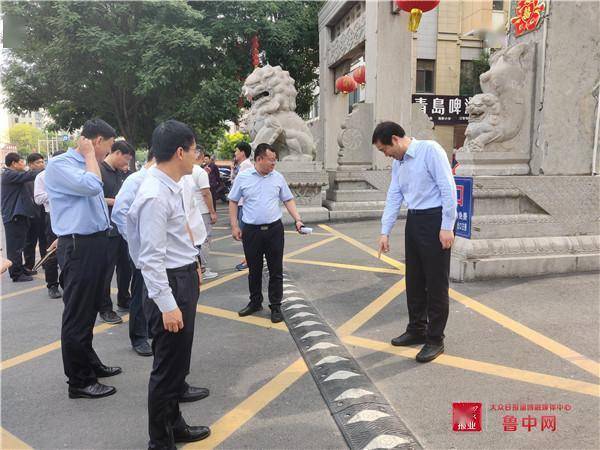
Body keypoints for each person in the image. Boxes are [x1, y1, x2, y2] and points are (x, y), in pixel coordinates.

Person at [127, 120, 210, 448]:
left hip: (181, 276)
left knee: (177, 365)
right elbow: (148, 256)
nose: (196, 157)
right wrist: (166, 303)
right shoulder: (154, 194)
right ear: (180, 151)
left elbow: (175, 238)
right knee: (165, 370)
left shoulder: (171, 184)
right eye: (194, 150)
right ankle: (159, 442)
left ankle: (175, 425)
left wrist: (193, 263)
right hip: (169, 285)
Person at [45, 118, 122, 399]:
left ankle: (89, 364)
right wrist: (90, 155)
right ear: (96, 141)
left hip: (96, 242)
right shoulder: (61, 165)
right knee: (77, 314)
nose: (107, 152)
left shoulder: (88, 166)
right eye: (108, 146)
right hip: (79, 246)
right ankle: (78, 381)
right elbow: (92, 188)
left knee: (90, 309)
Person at [373, 121, 457, 363]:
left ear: (396, 140)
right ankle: (417, 329)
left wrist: (447, 226)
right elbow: (394, 195)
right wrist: (384, 231)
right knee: (415, 280)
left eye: (384, 149)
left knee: (436, 283)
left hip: (435, 220)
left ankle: (435, 339)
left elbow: (447, 187)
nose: (385, 155)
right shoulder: (399, 164)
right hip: (415, 220)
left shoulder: (430, 151)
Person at [228, 143, 304, 323]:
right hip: (251, 231)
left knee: (276, 269)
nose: (273, 164)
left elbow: (288, 199)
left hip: (274, 230)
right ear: (259, 159)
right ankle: (255, 302)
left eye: (275, 161)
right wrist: (234, 226)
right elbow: (233, 201)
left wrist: (298, 219)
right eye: (271, 160)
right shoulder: (244, 177)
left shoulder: (277, 177)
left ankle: (276, 306)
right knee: (254, 270)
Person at [112, 148, 154, 357]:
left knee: (155, 290)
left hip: (157, 247)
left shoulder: (161, 180)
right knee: (141, 292)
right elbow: (119, 212)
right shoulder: (136, 180)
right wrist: (134, 240)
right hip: (141, 248)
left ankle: (151, 329)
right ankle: (138, 337)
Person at [97, 140, 135, 324]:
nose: (126, 164)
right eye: (125, 159)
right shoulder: (99, 170)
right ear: (117, 153)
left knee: (125, 267)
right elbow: (93, 196)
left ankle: (124, 298)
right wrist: (115, 202)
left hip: (123, 227)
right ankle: (105, 308)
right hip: (106, 229)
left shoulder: (122, 174)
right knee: (106, 270)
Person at [1, 152, 41, 282]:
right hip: (13, 216)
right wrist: (44, 170)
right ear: (13, 163)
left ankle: (20, 268)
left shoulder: (13, 175)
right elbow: (29, 175)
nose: (23, 164)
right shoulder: (9, 175)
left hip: (20, 215)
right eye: (21, 162)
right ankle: (16, 273)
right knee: (15, 247)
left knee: (21, 244)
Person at [33, 151, 64, 299]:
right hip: (52, 216)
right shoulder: (42, 176)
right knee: (52, 251)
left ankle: (67, 282)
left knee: (71, 251)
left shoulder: (72, 175)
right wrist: (56, 193)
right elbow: (38, 198)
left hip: (71, 216)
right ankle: (52, 284)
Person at [189, 147, 218, 279]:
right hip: (202, 211)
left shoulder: (186, 171)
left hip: (191, 212)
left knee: (193, 240)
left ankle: (195, 267)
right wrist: (212, 212)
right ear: (200, 157)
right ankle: (203, 268)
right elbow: (206, 193)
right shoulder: (200, 172)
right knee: (205, 240)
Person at [23, 153, 48, 274]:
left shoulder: (46, 176)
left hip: (44, 212)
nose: (41, 164)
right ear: (30, 164)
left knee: (45, 239)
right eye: (38, 162)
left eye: (42, 161)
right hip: (32, 213)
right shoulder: (26, 178)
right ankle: (29, 265)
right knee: (30, 241)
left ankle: (45, 262)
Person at [232, 142, 253, 271]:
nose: (235, 153)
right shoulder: (243, 166)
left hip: (244, 205)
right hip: (241, 204)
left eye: (236, 151)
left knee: (245, 235)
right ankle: (249, 258)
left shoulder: (247, 167)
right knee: (245, 235)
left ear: (243, 153)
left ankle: (249, 259)